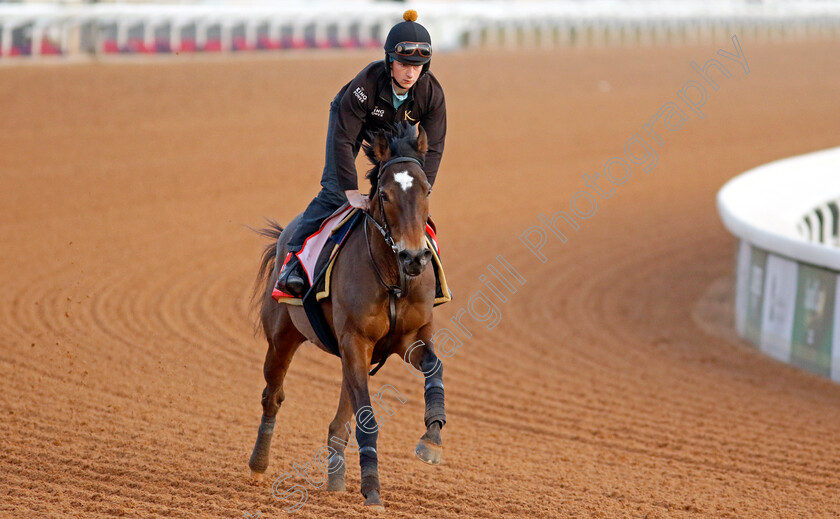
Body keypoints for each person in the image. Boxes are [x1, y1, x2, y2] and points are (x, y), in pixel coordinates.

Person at [275, 9, 447, 298]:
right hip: (354, 125)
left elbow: (435, 146)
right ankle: (293, 264)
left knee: (410, 201)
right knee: (333, 193)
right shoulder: (365, 86)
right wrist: (349, 190)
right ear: (390, 60)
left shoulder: (431, 93)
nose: (410, 73)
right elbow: (343, 139)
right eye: (404, 64)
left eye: (417, 66)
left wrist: (420, 186)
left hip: (396, 134)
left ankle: (434, 277)